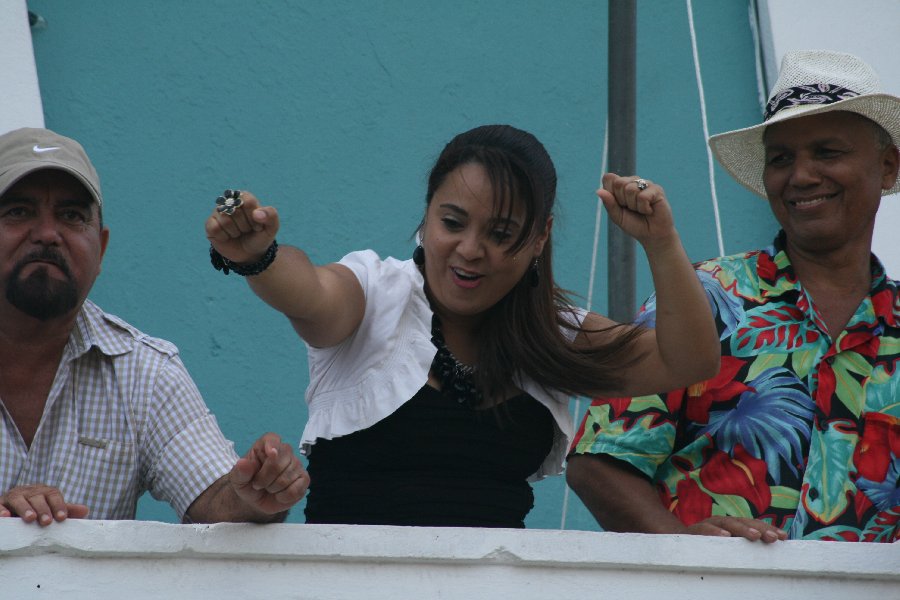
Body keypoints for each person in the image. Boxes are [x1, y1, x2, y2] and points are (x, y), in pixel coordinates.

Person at [206, 124, 719, 527]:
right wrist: (260, 257)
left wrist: (661, 241)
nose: (471, 250)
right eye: (452, 223)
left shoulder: (551, 333)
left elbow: (688, 359)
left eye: (501, 233)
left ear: (540, 238)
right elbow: (309, 293)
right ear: (427, 215)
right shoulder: (375, 294)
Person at [567, 50, 900, 543]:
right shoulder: (706, 297)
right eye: (781, 158)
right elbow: (599, 460)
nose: (801, 176)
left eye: (827, 152)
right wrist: (684, 552)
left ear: (888, 168)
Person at [0, 127, 309, 526]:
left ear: (101, 250)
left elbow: (216, 499)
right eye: (18, 212)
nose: (46, 235)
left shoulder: (144, 371)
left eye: (72, 216)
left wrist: (258, 492)